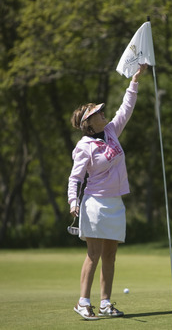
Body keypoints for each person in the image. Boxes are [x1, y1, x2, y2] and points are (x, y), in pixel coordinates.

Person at [67, 64, 147, 320]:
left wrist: (134, 81)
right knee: (94, 254)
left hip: (115, 203)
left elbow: (126, 109)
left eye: (102, 111)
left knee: (110, 255)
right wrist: (72, 202)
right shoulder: (84, 146)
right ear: (88, 123)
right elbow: (75, 177)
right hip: (94, 204)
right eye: (98, 113)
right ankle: (83, 302)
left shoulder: (111, 131)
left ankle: (104, 304)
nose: (103, 113)